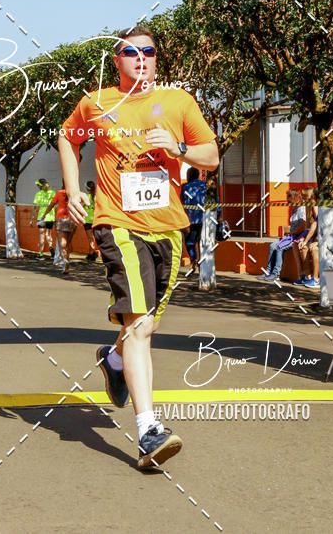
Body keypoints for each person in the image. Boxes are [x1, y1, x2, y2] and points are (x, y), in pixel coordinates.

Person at [59, 26, 219, 467]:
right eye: (132, 52)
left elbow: (211, 156)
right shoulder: (97, 103)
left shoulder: (180, 102)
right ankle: (148, 429)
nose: (141, 58)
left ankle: (113, 361)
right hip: (117, 222)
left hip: (168, 226)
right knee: (142, 324)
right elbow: (67, 139)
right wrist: (74, 190)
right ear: (118, 61)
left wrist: (181, 147)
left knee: (144, 325)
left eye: (148, 51)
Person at [257, 189, 306, 282]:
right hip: (290, 236)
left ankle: (276, 273)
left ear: (296, 198)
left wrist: (291, 233)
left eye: (289, 199)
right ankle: (268, 271)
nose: (288, 202)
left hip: (297, 237)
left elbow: (302, 227)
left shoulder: (302, 210)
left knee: (280, 247)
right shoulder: (294, 209)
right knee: (272, 246)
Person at [41, 182, 76, 275]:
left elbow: (51, 205)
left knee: (62, 244)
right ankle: (67, 261)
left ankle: (65, 261)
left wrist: (44, 215)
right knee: (68, 244)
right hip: (72, 220)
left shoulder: (59, 193)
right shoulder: (75, 193)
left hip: (61, 220)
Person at [181, 167, 206, 272]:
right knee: (203, 242)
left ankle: (194, 259)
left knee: (190, 242)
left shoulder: (185, 187)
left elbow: (181, 201)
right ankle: (202, 263)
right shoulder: (205, 186)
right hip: (205, 218)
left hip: (191, 219)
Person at [294, 186, 320, 288]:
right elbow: (308, 226)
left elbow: (317, 225)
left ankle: (314, 278)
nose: (303, 198)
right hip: (311, 234)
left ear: (311, 196)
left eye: (305, 196)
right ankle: (306, 275)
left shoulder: (315, 207)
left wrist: (307, 240)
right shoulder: (307, 206)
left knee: (307, 248)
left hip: (316, 235)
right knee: (297, 245)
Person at [30, 178, 56, 260]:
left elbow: (34, 208)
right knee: (48, 234)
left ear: (40, 186)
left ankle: (41, 255)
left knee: (41, 236)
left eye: (38, 185)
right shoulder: (53, 193)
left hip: (41, 217)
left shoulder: (38, 194)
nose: (37, 186)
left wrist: (31, 219)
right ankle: (51, 247)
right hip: (51, 217)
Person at [83, 180, 98, 261]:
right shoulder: (96, 196)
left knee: (90, 238)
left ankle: (93, 253)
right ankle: (90, 252)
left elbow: (82, 206)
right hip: (95, 220)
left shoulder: (86, 196)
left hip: (88, 220)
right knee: (93, 238)